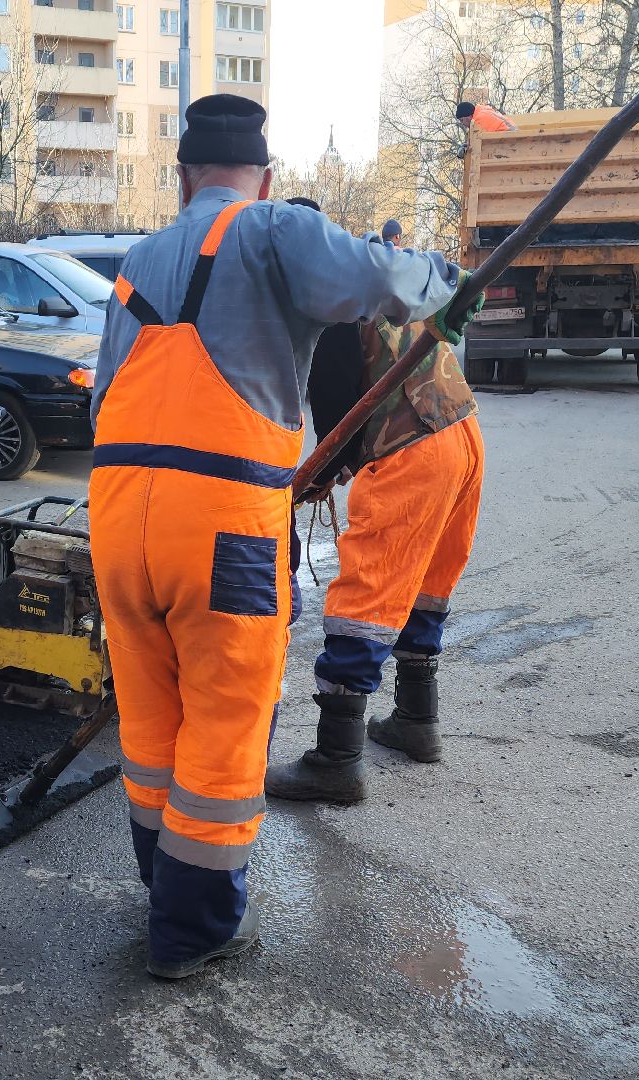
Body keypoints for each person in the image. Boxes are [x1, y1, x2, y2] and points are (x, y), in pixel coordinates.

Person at [90, 95, 477, 980]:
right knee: (226, 721)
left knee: (150, 714)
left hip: (116, 512)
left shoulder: (134, 262)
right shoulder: (271, 229)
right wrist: (448, 282)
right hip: (222, 524)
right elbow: (378, 279)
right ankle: (194, 932)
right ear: (264, 178)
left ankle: (164, 888)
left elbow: (100, 395)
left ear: (182, 176)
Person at [266, 211, 486, 804]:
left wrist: (323, 471)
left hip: (409, 448)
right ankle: (417, 721)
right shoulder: (381, 276)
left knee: (365, 596)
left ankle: (336, 758)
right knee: (425, 583)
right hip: (460, 437)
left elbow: (343, 410)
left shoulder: (338, 308)